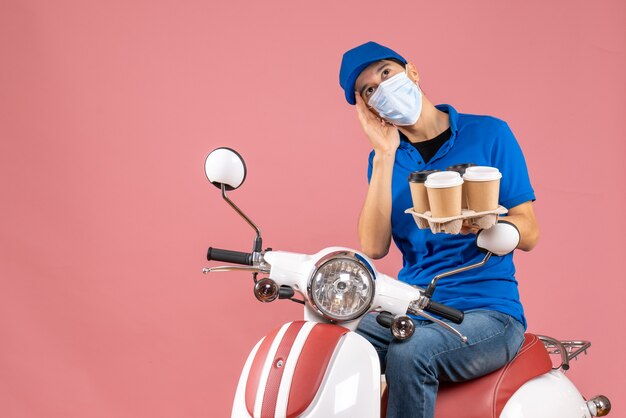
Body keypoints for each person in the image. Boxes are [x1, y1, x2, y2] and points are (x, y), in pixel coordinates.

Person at [338, 41, 540, 418]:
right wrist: (383, 155)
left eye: (385, 74)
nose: (381, 89)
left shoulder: (490, 134)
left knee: (412, 350)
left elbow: (528, 231)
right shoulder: (384, 159)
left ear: (411, 71)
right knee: (338, 344)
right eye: (369, 90)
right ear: (367, 108)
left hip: (488, 312)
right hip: (413, 306)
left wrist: (487, 226)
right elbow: (373, 245)